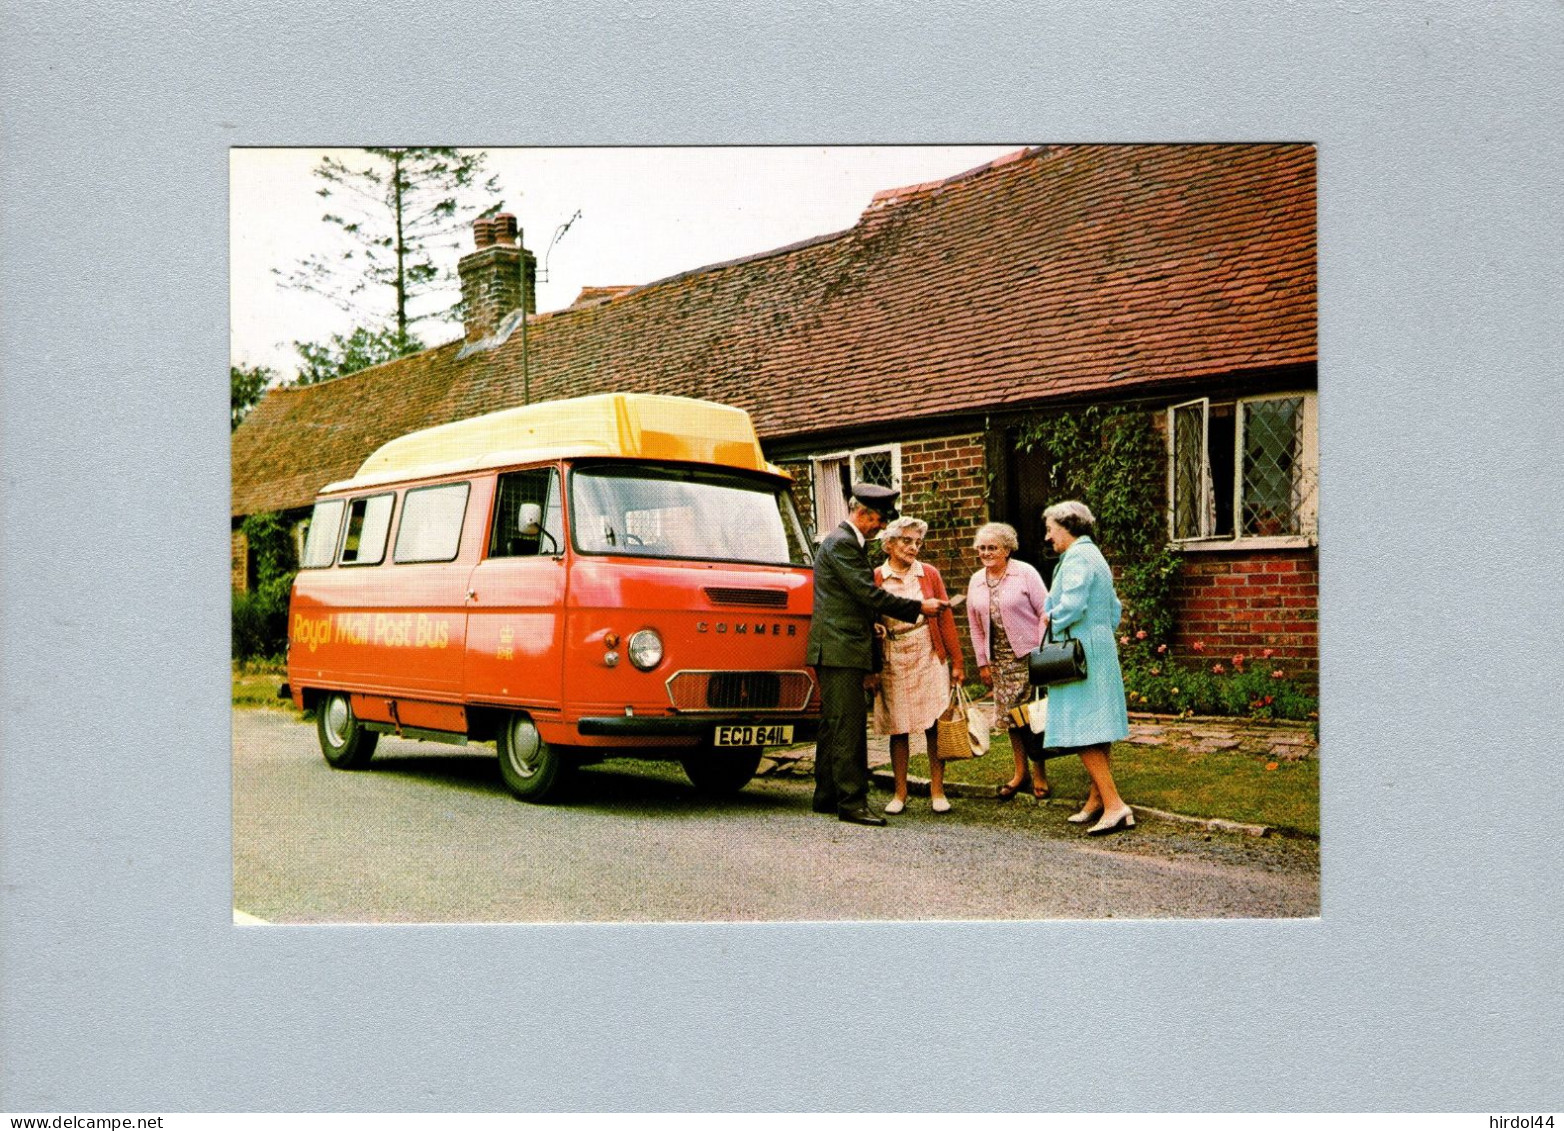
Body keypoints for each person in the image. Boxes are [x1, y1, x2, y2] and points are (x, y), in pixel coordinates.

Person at [807, 485, 948, 826]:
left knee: (833, 724)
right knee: (849, 727)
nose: (880, 528)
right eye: (880, 520)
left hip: (838, 646)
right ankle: (852, 803)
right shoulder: (843, 543)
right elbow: (868, 593)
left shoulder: (844, 542)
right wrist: (919, 607)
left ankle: (826, 794)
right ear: (864, 514)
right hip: (840, 648)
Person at [1040, 500, 1134, 835]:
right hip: (1098, 646)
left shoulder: (1079, 555)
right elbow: (1115, 608)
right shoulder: (1093, 554)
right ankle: (1097, 799)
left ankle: (1114, 804)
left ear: (1067, 526)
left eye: (1051, 530)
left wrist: (1052, 617)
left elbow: (1074, 604)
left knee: (1082, 729)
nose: (1049, 537)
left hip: (1081, 650)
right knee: (1098, 725)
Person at [871, 517, 966, 815]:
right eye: (907, 541)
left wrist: (957, 662)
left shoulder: (929, 574)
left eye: (917, 542)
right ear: (889, 544)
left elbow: (945, 619)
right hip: (892, 655)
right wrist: (875, 631)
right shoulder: (876, 576)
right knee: (898, 726)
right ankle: (900, 793)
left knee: (933, 723)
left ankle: (938, 791)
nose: (913, 547)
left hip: (927, 651)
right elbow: (866, 615)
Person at [965, 522, 1051, 801]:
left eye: (993, 548)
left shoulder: (1025, 573)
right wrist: (982, 662)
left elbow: (1045, 611)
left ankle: (1039, 773)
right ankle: (1019, 772)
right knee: (1009, 718)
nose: (986, 553)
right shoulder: (976, 580)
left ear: (1007, 549)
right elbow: (975, 626)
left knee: (1030, 718)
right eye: (982, 548)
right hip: (999, 660)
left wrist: (1040, 650)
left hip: (1027, 656)